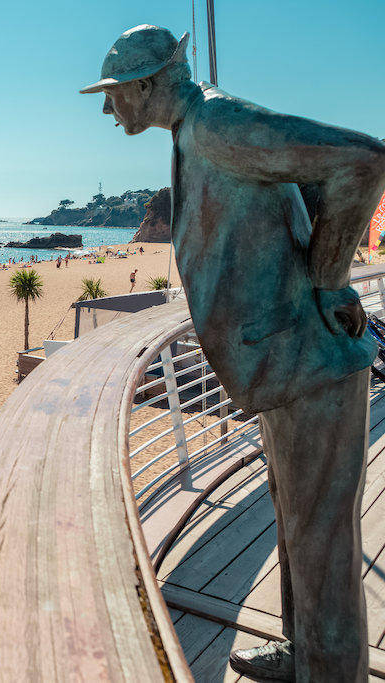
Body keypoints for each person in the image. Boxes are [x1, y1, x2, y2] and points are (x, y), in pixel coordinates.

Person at [82, 24, 385, 681]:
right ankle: (302, 652)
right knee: (295, 528)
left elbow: (362, 161)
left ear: (144, 85)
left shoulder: (217, 122)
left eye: (113, 95)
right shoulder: (195, 130)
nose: (109, 110)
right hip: (285, 366)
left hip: (315, 368)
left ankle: (331, 671)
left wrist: (330, 277)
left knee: (323, 546)